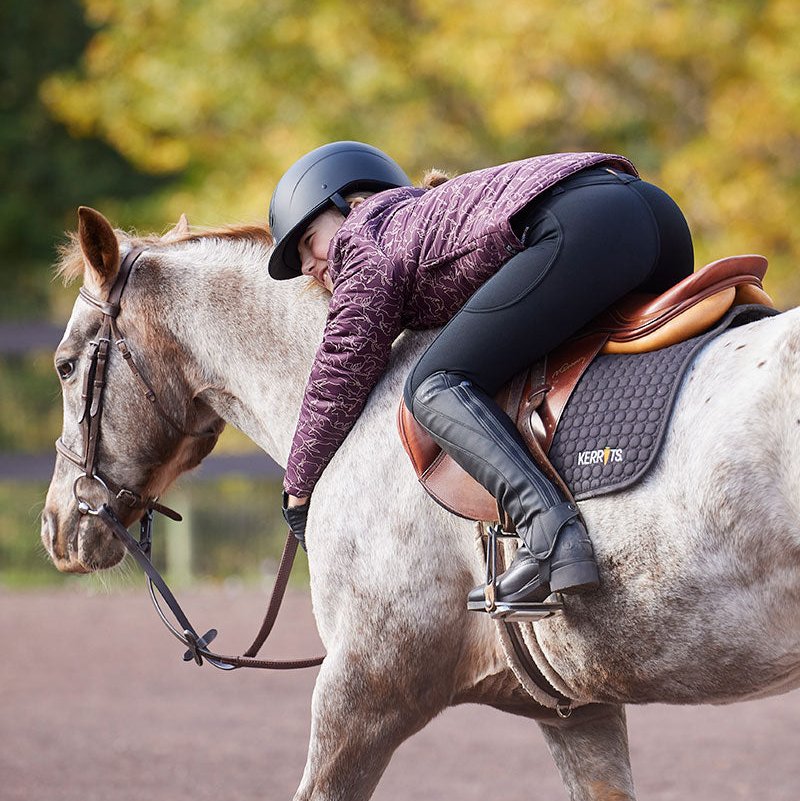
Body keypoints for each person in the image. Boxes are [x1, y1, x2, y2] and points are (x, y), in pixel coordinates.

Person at [268, 141, 694, 610]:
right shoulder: (416, 220)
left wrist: (298, 487)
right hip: (656, 215)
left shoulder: (366, 234)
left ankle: (550, 533)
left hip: (588, 222)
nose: (308, 265)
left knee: (433, 385)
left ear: (352, 204)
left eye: (309, 241)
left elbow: (342, 365)